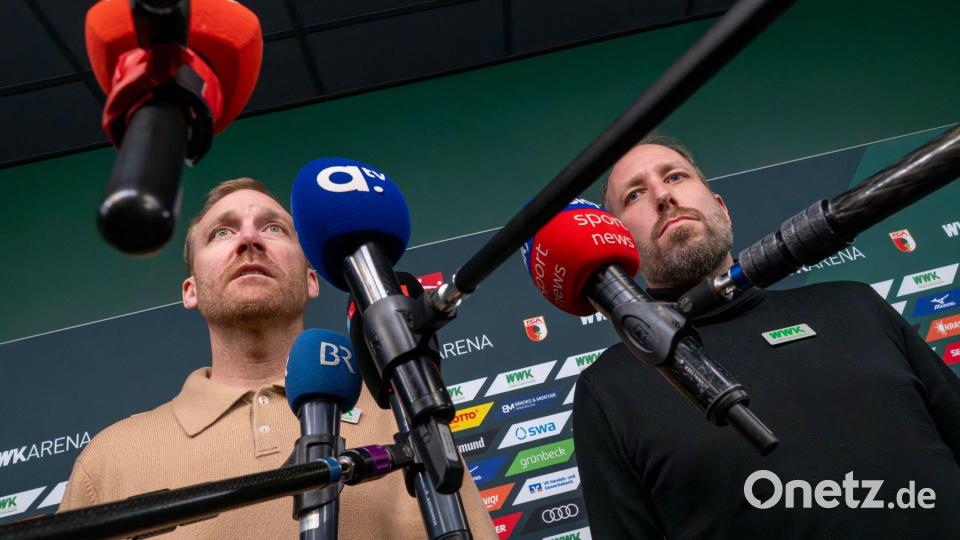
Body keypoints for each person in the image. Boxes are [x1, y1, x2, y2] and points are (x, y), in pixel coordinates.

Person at [59, 178, 496, 538]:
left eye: (273, 228)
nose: (249, 239)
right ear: (190, 290)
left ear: (311, 280)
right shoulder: (108, 460)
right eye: (222, 232)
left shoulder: (402, 416)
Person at [573, 137, 960, 538]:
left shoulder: (853, 303)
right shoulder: (609, 388)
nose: (662, 194)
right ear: (622, 245)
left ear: (721, 209)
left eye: (675, 176)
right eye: (634, 194)